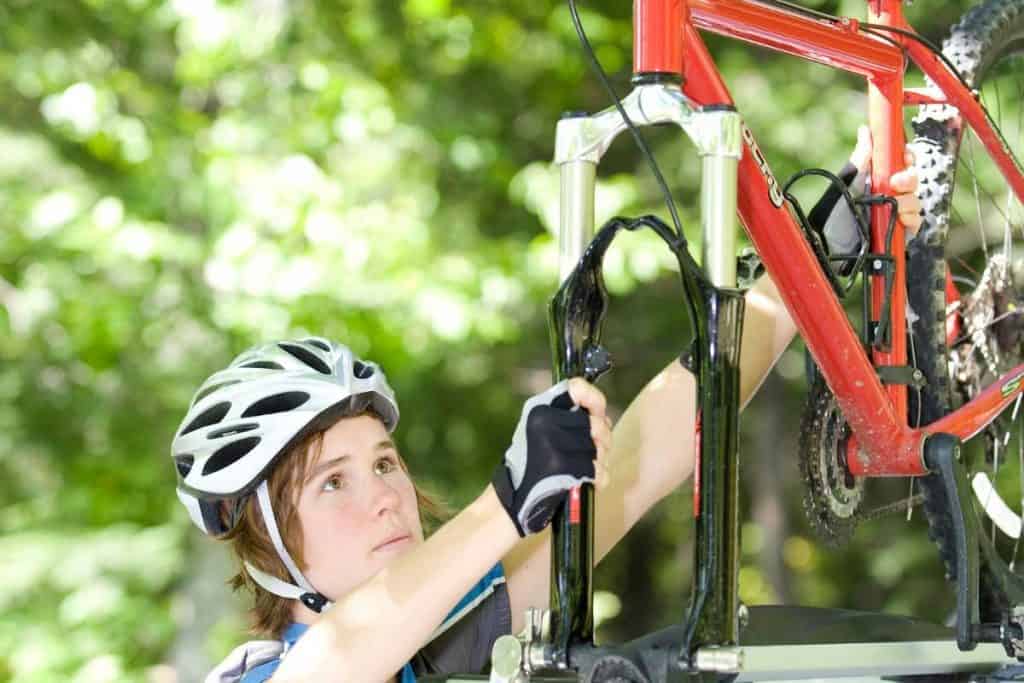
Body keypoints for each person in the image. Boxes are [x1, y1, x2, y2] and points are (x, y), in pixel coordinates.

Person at [173, 128, 922, 683]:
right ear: (270, 549)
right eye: (332, 481)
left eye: (384, 462)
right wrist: (505, 500)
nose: (385, 498)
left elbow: (640, 455)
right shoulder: (265, 674)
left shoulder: (442, 635)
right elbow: (337, 658)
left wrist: (804, 270)